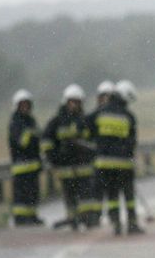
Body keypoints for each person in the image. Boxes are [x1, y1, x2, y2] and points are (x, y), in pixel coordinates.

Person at [88, 79, 141, 235]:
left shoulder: (99, 113)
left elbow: (87, 128)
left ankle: (116, 224)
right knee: (128, 195)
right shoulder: (129, 116)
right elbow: (132, 142)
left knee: (112, 195)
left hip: (104, 164)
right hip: (124, 164)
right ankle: (132, 224)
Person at [42, 84, 97, 230]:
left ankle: (88, 218)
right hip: (66, 168)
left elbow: (94, 141)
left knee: (86, 196)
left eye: (77, 102)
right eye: (72, 101)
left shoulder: (86, 121)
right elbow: (47, 142)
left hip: (84, 167)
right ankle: (73, 219)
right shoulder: (56, 122)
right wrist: (55, 158)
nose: (75, 105)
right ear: (66, 102)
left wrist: (87, 150)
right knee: (69, 196)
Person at [8, 89, 44, 226]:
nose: (25, 107)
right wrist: (31, 133)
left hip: (33, 165)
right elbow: (22, 142)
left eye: (27, 105)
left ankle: (32, 216)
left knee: (33, 193)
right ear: (17, 106)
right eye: (22, 105)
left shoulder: (31, 120)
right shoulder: (15, 123)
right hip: (21, 166)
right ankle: (20, 218)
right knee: (21, 194)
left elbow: (38, 139)